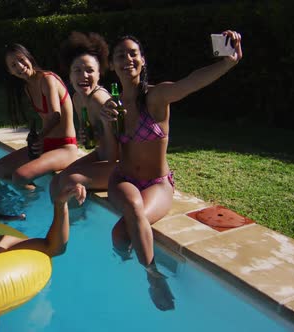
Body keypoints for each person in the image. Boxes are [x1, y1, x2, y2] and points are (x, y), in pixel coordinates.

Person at [103, 30, 243, 310]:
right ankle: (143, 270)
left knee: (119, 234)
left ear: (142, 60)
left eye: (133, 53)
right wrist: (107, 123)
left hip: (157, 183)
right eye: (120, 55)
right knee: (131, 208)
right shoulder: (114, 105)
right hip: (123, 179)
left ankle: (151, 276)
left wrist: (228, 62)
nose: (127, 59)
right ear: (111, 65)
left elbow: (191, 82)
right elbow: (112, 154)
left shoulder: (156, 96)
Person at [0, 43, 79, 190]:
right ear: (10, 71)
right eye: (13, 65)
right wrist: (36, 139)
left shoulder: (47, 79)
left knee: (20, 176)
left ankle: (33, 200)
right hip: (46, 145)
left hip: (65, 146)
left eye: (21, 59)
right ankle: (33, 193)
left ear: (29, 57)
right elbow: (45, 120)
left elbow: (55, 116)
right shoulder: (28, 87)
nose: (20, 66)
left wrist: (40, 136)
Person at [50, 31, 119, 203]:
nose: (84, 76)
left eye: (90, 71)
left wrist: (103, 129)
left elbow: (114, 153)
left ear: (99, 74)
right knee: (55, 181)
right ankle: (61, 222)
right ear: (70, 74)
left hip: (120, 164)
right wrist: (88, 136)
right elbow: (93, 139)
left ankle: (73, 223)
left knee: (68, 181)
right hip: (102, 154)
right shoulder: (77, 98)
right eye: (77, 70)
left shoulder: (100, 100)